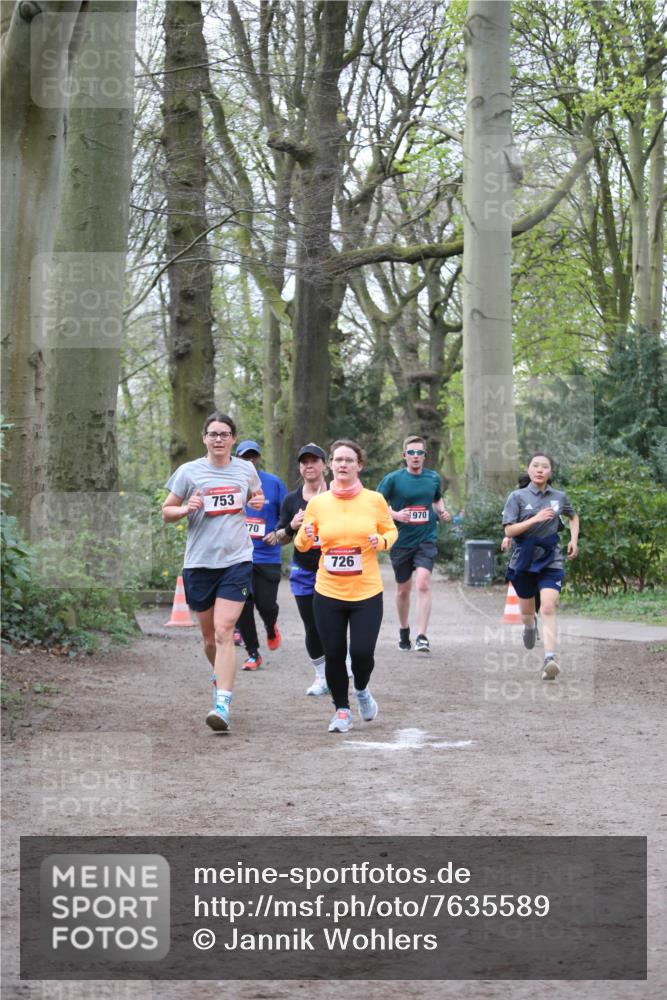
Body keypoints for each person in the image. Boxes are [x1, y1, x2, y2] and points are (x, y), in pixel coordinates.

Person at [162, 412, 265, 732]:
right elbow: (166, 511)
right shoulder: (188, 472)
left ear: (233, 438)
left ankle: (222, 703)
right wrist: (185, 509)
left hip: (237, 561)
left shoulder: (246, 469)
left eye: (224, 434)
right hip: (199, 564)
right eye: (213, 434)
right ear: (204, 438)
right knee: (209, 638)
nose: (218, 439)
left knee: (224, 630)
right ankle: (220, 674)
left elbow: (254, 497)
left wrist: (257, 503)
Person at [295, 440, 397, 733]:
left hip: (366, 591)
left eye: (348, 460)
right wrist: (307, 532)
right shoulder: (318, 503)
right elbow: (302, 543)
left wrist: (383, 541)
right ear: (331, 466)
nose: (342, 465)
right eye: (338, 460)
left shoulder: (374, 500)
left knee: (363, 652)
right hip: (328, 591)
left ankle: (362, 690)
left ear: (359, 465)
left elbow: (391, 530)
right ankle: (341, 710)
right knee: (335, 653)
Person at [502, 452, 579, 680]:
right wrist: (535, 519)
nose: (540, 470)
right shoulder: (516, 497)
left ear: (550, 472)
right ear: (528, 470)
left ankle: (550, 659)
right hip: (523, 559)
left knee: (547, 607)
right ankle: (529, 626)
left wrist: (574, 540)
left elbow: (573, 517)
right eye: (535, 466)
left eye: (545, 466)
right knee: (527, 613)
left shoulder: (559, 497)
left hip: (551, 558)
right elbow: (509, 530)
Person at [376, 435, 451, 653]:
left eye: (419, 453)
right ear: (404, 455)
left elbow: (436, 499)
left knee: (423, 583)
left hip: (426, 538)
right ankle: (403, 630)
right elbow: (376, 504)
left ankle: (422, 636)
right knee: (403, 590)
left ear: (425, 456)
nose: (415, 456)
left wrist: (442, 511)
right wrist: (396, 515)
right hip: (401, 541)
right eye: (411, 452)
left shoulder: (433, 478)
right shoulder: (393, 479)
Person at [276, 443, 329, 696]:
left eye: (314, 461)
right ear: (300, 467)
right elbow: (279, 537)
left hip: (334, 570)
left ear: (324, 465)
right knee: (311, 624)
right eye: (304, 462)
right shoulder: (291, 499)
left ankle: (340, 666)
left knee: (333, 623)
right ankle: (321, 676)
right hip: (304, 569)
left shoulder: (337, 495)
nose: (309, 466)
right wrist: (291, 527)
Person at [234, 440, 287, 671]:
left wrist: (277, 532)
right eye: (245, 457)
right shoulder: (229, 483)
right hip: (236, 557)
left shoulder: (273, 483)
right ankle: (253, 653)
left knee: (266, 604)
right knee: (242, 606)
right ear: (236, 459)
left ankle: (270, 625)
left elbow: (286, 514)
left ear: (259, 458)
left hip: (267, 556)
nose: (250, 461)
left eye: (253, 457)